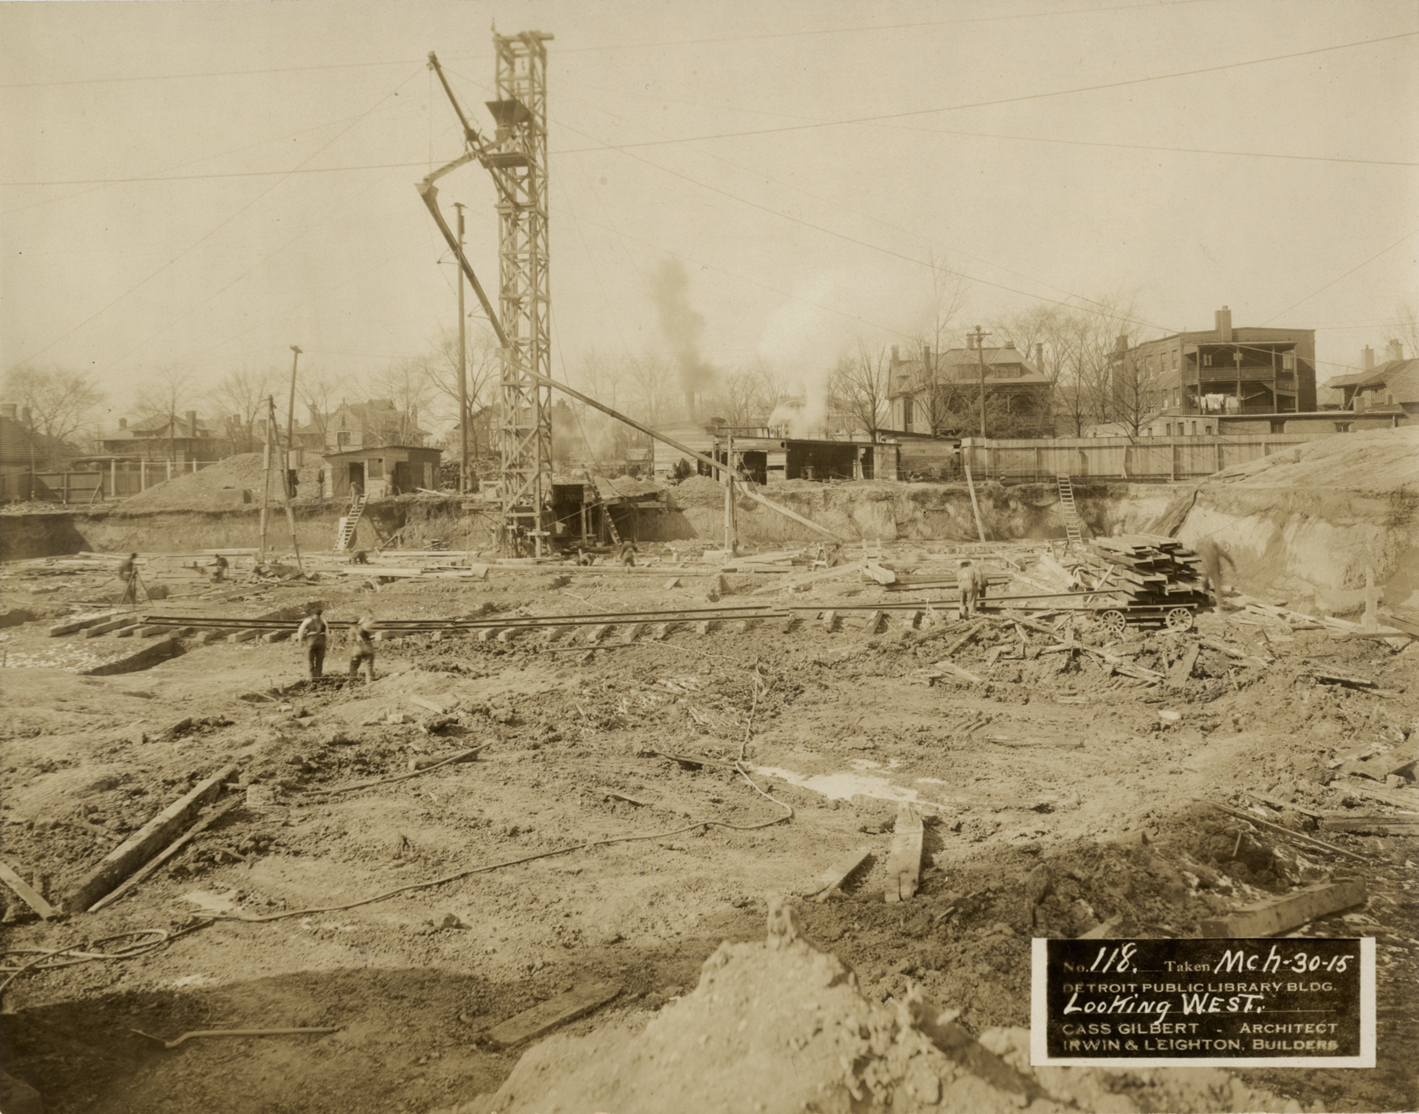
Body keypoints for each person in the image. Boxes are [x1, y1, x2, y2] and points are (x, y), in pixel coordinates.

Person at [1194, 537, 1236, 611]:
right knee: (1217, 587)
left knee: (1205, 581)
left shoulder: (1201, 548)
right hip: (1216, 570)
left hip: (1208, 569)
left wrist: (1190, 552)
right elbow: (1227, 556)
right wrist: (1232, 565)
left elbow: (1194, 553)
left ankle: (1204, 595)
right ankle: (1219, 605)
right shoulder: (1217, 549)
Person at [296, 605, 329, 681]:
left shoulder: (308, 620)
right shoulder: (323, 621)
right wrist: (326, 643)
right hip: (321, 641)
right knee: (319, 659)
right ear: (320, 614)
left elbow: (300, 631)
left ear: (313, 613)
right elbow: (327, 634)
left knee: (310, 659)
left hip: (311, 640)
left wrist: (300, 641)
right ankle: (318, 676)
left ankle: (311, 677)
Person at [348, 613, 376, 685]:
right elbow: (372, 633)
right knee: (368, 665)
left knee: (353, 666)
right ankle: (369, 682)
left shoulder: (351, 630)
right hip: (368, 647)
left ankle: (352, 681)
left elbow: (352, 640)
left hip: (357, 649)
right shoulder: (363, 627)